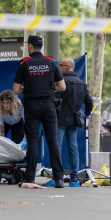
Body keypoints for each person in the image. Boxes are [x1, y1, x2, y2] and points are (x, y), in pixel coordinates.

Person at [13, 35, 66, 188]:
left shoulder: (24, 64)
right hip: (49, 106)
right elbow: (62, 87)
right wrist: (48, 89)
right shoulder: (51, 63)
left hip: (32, 107)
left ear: (30, 46)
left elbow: (16, 90)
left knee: (33, 141)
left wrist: (29, 89)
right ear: (41, 46)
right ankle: (59, 179)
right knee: (53, 141)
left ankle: (30, 178)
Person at [55, 58, 93, 186]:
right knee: (73, 147)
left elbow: (55, 99)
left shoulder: (61, 83)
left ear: (67, 67)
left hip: (60, 119)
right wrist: (87, 113)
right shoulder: (81, 83)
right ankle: (75, 177)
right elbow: (89, 101)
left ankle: (58, 176)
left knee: (58, 147)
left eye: (61, 65)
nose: (59, 67)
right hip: (74, 120)